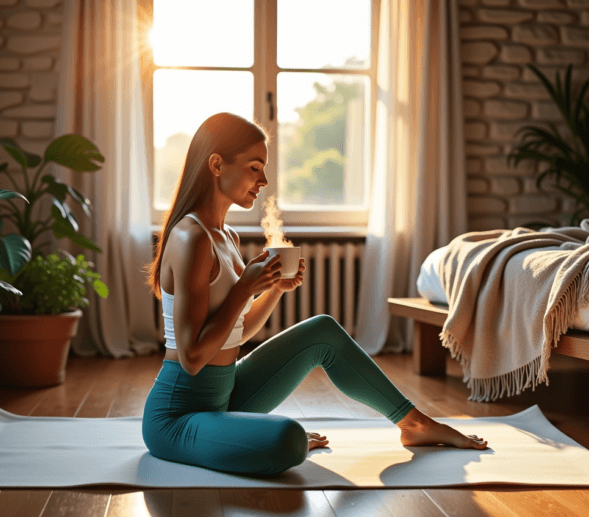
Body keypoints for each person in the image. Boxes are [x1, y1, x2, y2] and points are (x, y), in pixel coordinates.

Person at [142, 112, 487, 476]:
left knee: (322, 330)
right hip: (178, 416)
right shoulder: (191, 238)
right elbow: (193, 357)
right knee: (289, 438)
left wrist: (272, 289)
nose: (264, 180)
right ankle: (252, 435)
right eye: (254, 167)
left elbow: (237, 329)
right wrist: (245, 287)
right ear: (216, 164)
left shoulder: (226, 236)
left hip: (226, 394)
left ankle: (413, 423)